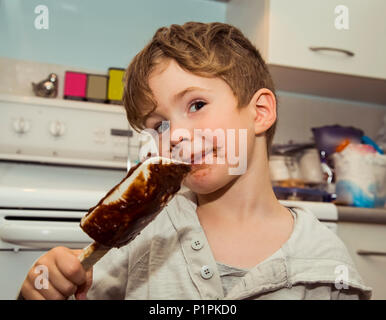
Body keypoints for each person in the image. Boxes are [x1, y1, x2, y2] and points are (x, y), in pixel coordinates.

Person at [19, 22, 371, 300]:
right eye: (159, 125)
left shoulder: (326, 265)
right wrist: (42, 288)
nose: (173, 136)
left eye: (196, 105)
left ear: (260, 112)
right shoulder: (144, 239)